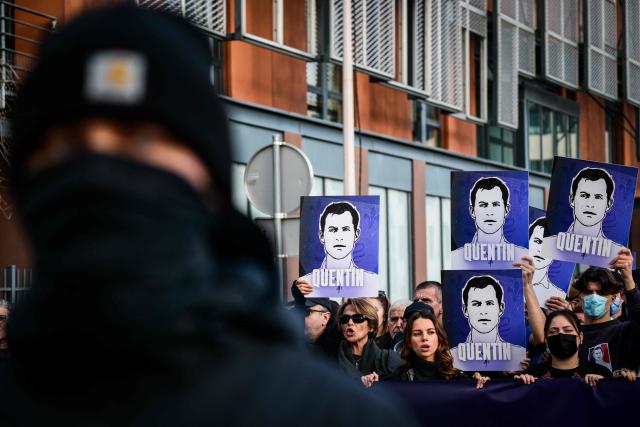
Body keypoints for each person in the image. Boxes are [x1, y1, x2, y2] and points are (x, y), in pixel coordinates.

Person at [0, 5, 411, 425]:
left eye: (140, 139)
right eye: (65, 144)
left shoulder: (332, 415)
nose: (98, 168)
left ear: (207, 178)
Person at [513, 310, 636, 386]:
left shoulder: (600, 373)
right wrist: (521, 385)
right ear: (546, 339)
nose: (561, 335)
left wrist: (607, 385)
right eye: (554, 331)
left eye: (568, 330)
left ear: (580, 337)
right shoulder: (532, 374)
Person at [571, 250, 640, 374]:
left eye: (601, 293)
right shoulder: (571, 335)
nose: (594, 297)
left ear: (613, 298)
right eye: (588, 292)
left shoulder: (623, 332)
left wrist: (628, 278)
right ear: (580, 296)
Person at [389, 310, 490, 388]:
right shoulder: (400, 377)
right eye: (417, 334)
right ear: (409, 341)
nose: (424, 338)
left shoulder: (455, 375)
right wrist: (374, 384)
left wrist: (480, 384)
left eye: (431, 332)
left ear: (438, 338)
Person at [451, 177, 527, 268]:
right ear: (472, 211)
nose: (489, 212)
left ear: (506, 210)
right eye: (483, 205)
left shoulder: (522, 259)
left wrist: (528, 281)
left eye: (495, 205)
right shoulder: (456, 258)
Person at [300, 201, 377, 291]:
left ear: (356, 234)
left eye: (345, 229)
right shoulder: (307, 284)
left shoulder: (369, 283)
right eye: (333, 230)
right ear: (321, 236)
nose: (339, 237)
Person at [336, 298, 403, 387]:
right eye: (345, 318)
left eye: (358, 318)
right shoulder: (328, 357)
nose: (350, 322)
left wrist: (380, 385)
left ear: (371, 326)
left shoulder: (388, 360)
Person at [528, 217, 566, 308]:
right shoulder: (509, 285)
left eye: (548, 244)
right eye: (537, 241)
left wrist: (566, 312)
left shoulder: (558, 297)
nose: (541, 249)